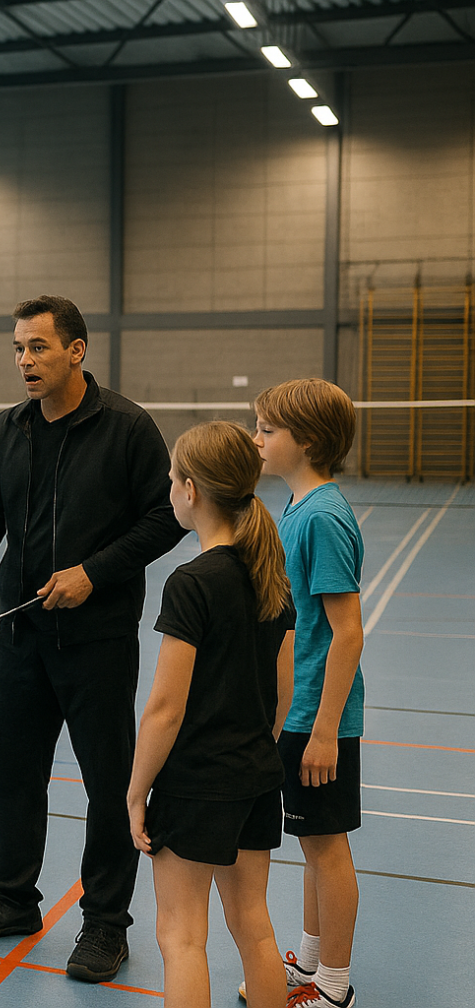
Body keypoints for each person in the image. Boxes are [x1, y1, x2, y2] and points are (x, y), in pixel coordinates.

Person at [0, 294, 185, 983]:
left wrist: (94, 574)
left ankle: (106, 923)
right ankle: (14, 900)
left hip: (98, 640)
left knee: (110, 783)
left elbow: (167, 518)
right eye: (18, 348)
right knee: (11, 773)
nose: (25, 360)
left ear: (76, 350)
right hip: (20, 636)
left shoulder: (128, 428)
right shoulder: (7, 428)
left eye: (38, 347)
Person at [127, 421, 297, 1008]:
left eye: (172, 479)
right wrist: (252, 745)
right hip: (254, 776)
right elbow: (285, 692)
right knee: (256, 928)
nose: (170, 489)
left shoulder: (192, 582)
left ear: (191, 489)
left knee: (181, 939)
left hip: (196, 785)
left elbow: (165, 711)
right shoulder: (268, 575)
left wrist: (135, 791)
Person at [248, 379, 366, 1008]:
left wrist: (323, 730)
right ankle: (311, 963)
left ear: (309, 442)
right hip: (296, 713)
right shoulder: (296, 508)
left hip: (322, 719)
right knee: (309, 843)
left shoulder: (321, 517)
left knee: (326, 847)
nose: (257, 438)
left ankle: (335, 988)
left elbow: (347, 633)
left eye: (268, 430)